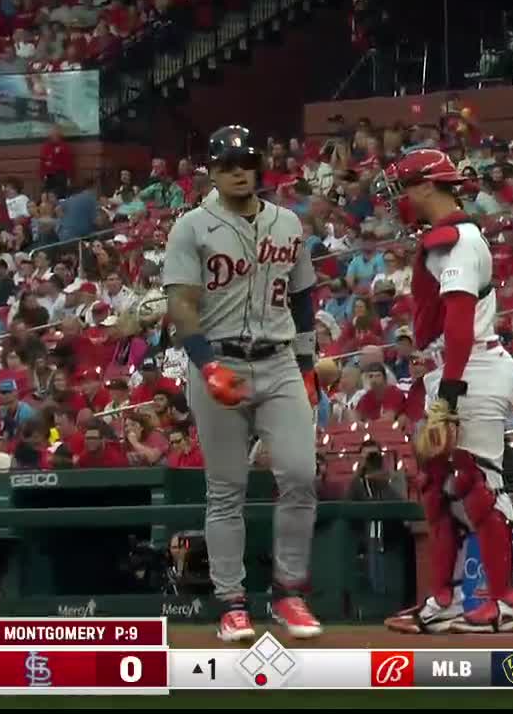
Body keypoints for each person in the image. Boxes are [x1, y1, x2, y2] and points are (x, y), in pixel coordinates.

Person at [163, 125, 322, 643]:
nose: (238, 170)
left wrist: (307, 364)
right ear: (212, 169)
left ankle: (289, 593)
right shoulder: (192, 226)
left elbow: (302, 298)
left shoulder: (287, 222)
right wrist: (205, 364)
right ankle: (231, 601)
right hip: (220, 358)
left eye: (246, 161)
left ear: (258, 167)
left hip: (277, 360)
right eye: (227, 162)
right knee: (225, 489)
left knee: (300, 473)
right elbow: (182, 304)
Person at [379, 146, 513, 635]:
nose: (399, 199)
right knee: (439, 491)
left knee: (479, 486)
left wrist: (449, 395)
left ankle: (507, 604)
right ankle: (444, 600)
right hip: (456, 368)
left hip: (474, 367)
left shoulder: (458, 240)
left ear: (426, 186)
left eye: (403, 188)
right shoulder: (445, 240)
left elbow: (460, 324)